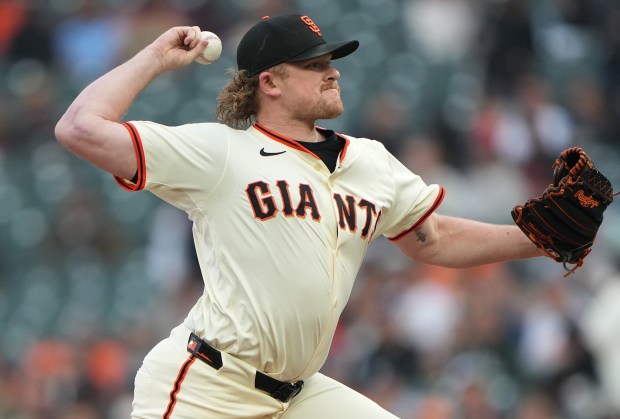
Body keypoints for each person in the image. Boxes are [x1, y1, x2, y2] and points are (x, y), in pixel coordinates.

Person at [55, 14, 542, 419]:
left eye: (330, 62)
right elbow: (80, 128)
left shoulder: (369, 161)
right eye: (313, 65)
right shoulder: (222, 151)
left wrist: (536, 238)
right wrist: (155, 58)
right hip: (208, 387)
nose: (332, 72)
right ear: (269, 82)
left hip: (300, 394)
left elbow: (432, 239)